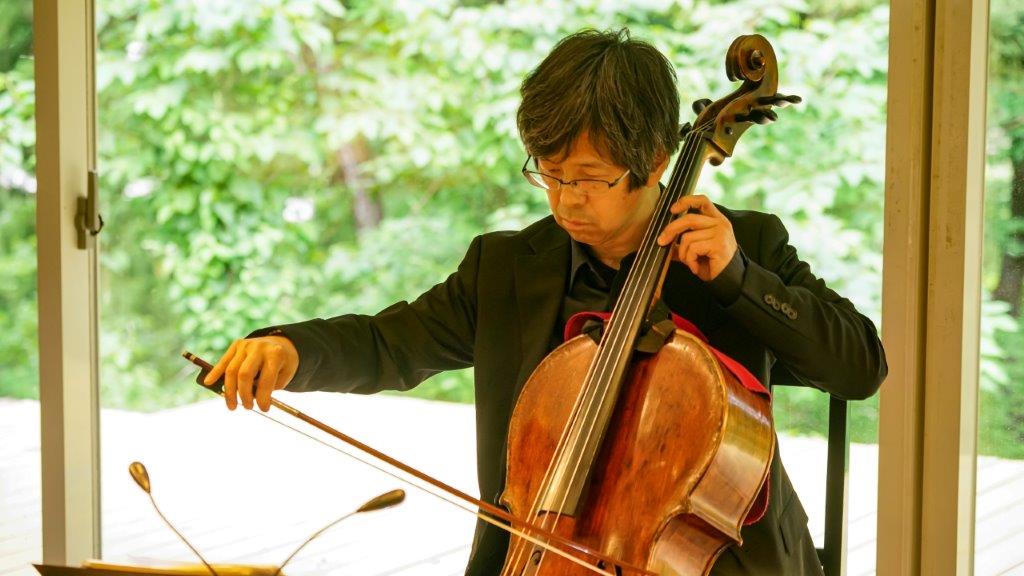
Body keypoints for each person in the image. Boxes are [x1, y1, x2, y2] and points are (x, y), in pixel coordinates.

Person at [205, 28, 886, 576]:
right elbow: (392, 343)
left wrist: (738, 279)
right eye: (549, 174)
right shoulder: (506, 268)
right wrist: (291, 350)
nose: (564, 201)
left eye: (588, 178)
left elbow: (859, 367)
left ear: (654, 161)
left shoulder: (744, 245)